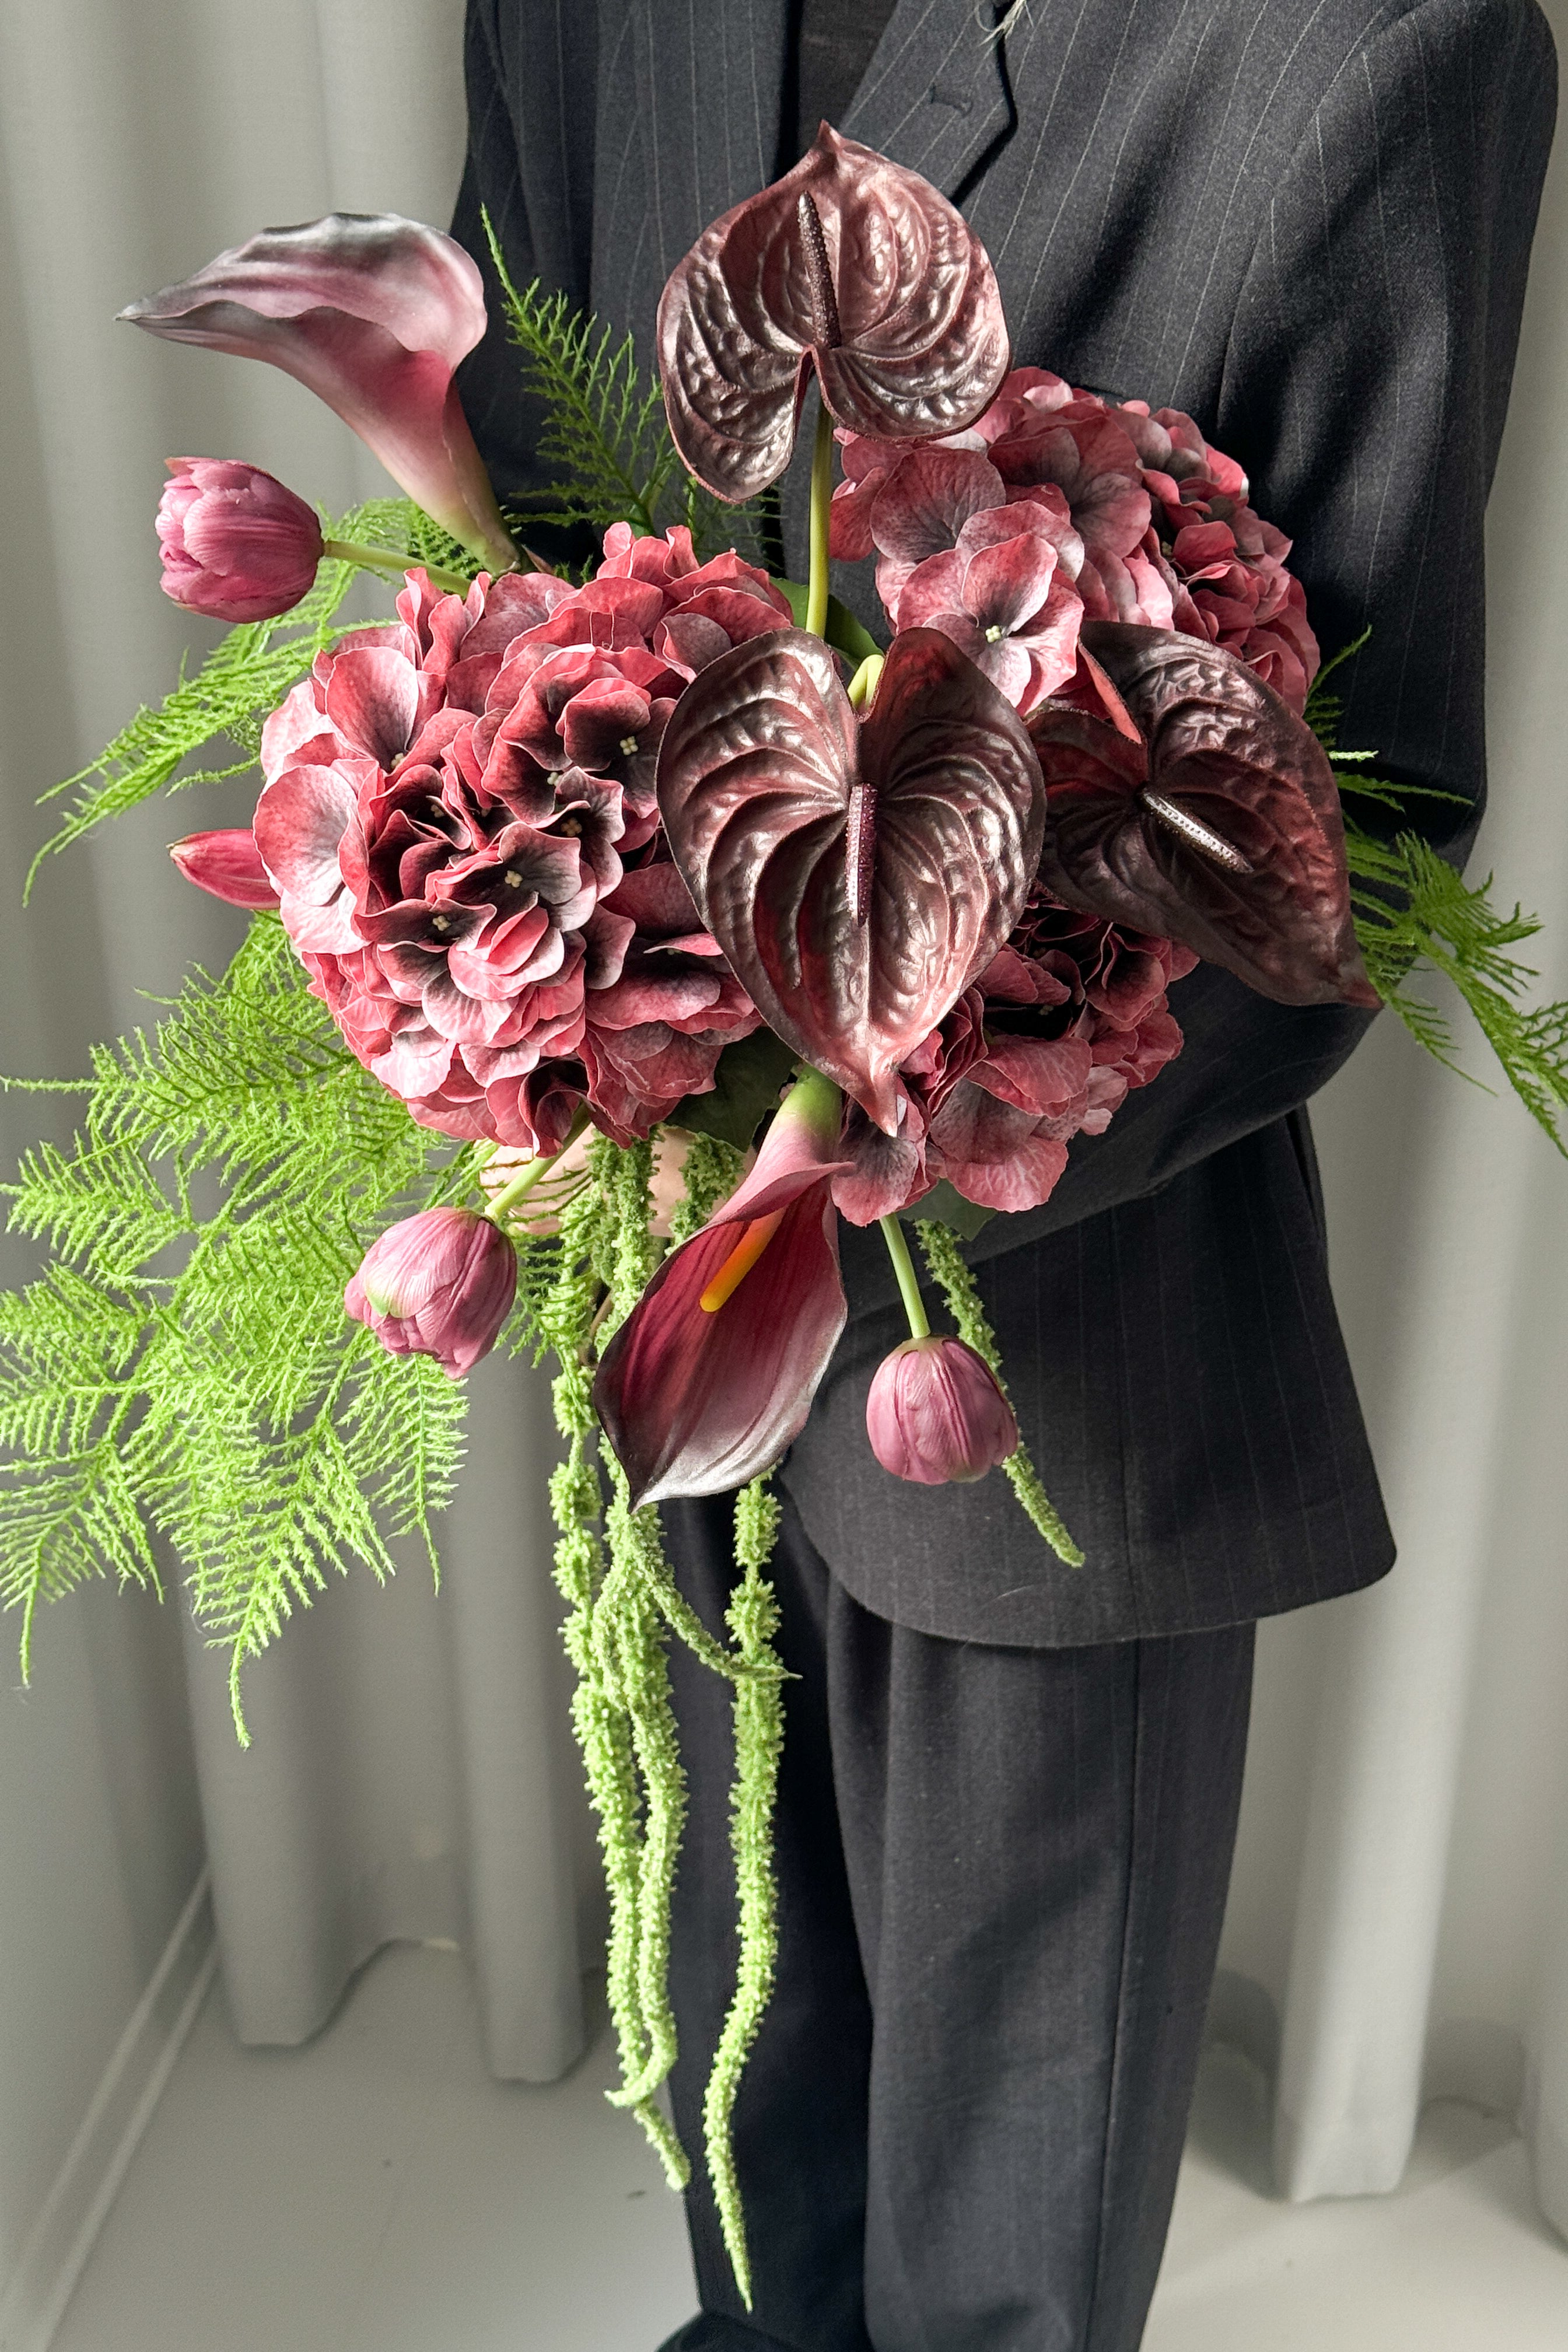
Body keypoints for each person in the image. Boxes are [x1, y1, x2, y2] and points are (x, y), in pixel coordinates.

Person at [453, 4, 1556, 2346]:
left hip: (1064, 1348)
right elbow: (508, 518)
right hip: (647, 1255)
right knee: (739, 2070)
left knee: (1006, 2231)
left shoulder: (1378, 53)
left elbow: (1352, 820)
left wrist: (913, 1098)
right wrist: (518, 981)